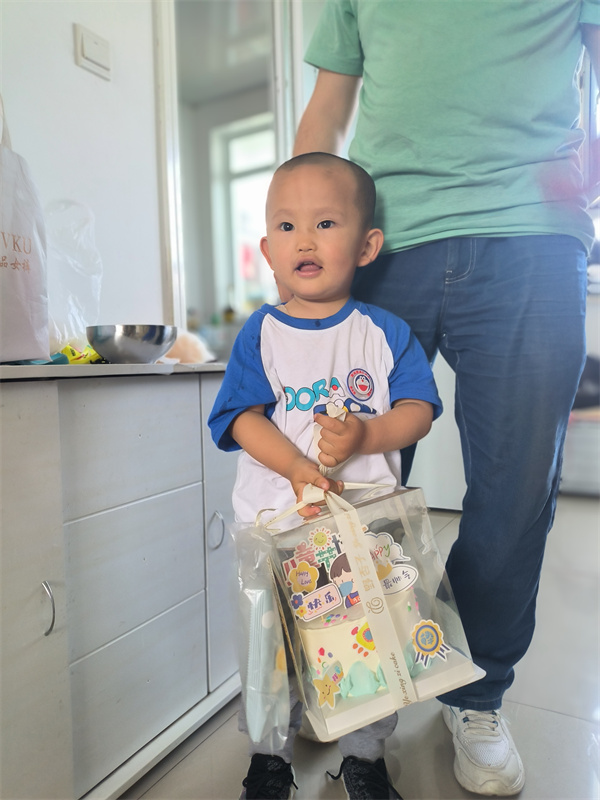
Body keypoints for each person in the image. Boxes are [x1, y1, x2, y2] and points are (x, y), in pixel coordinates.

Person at [293, 2, 600, 797]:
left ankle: (475, 693)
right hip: (382, 241)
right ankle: (350, 670)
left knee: (515, 489)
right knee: (341, 479)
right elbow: (329, 107)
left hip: (533, 229)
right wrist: (306, 237)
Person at [208, 152, 442, 800]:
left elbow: (419, 410)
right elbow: (239, 417)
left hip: (361, 533)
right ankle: (269, 760)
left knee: (364, 648)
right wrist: (296, 466)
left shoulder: (384, 333)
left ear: (366, 246)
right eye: (286, 226)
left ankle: (364, 759)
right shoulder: (261, 333)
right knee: (270, 651)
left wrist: (367, 435)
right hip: (274, 529)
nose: (304, 240)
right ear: (267, 250)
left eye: (326, 223)